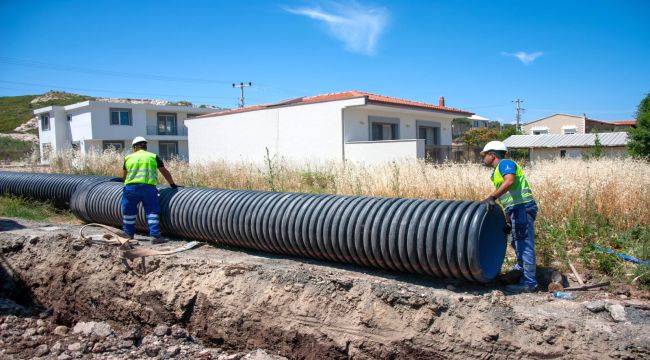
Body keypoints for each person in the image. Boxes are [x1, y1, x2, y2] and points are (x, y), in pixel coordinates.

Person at [480, 141, 538, 293]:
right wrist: (507, 220)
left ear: (492, 155)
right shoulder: (496, 172)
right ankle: (520, 274)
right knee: (516, 243)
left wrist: (492, 197)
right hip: (514, 210)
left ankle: (529, 283)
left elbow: (510, 181)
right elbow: (507, 199)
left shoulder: (505, 164)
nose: (483, 158)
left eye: (484, 155)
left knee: (524, 245)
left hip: (522, 208)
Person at [121, 136, 177, 244]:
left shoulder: (128, 158)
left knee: (129, 212)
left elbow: (124, 176)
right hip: (148, 188)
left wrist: (126, 184)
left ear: (134, 147)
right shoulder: (153, 156)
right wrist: (172, 184)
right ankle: (155, 237)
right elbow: (164, 171)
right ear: (145, 146)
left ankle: (128, 236)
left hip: (130, 188)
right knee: (152, 212)